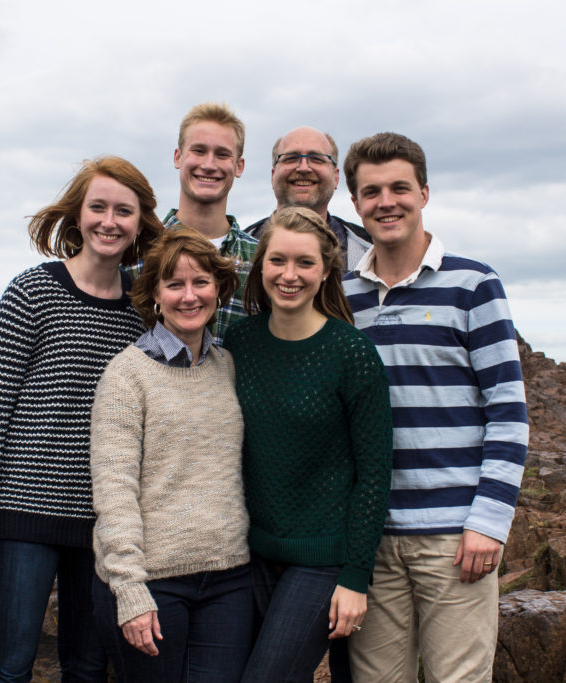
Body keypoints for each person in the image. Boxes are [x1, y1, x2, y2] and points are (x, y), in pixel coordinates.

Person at [0, 156, 164, 683]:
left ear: (140, 224)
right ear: (77, 214)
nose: (109, 221)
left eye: (123, 211)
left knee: (89, 669)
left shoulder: (142, 314)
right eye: (98, 207)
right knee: (7, 668)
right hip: (23, 512)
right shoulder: (32, 291)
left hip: (101, 524)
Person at [341, 132, 529, 682]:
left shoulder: (474, 284)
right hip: (373, 538)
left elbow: (508, 410)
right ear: (355, 204)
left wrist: (489, 522)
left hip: (456, 538)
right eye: (371, 192)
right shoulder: (344, 295)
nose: (386, 202)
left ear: (424, 193)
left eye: (400, 187)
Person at [223, 206, 393, 683]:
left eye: (304, 263)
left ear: (325, 272)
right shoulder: (238, 343)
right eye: (277, 261)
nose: (289, 275)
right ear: (260, 267)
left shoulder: (352, 353)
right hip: (249, 553)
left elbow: (375, 472)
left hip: (322, 559)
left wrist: (356, 577)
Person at [89, 226, 251, 682]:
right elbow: (114, 487)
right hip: (152, 581)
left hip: (228, 578)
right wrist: (130, 588)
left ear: (218, 290)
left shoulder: (227, 367)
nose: (189, 295)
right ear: (154, 294)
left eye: (201, 282)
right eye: (174, 284)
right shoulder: (127, 376)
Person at [127, 101, 258, 344]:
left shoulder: (260, 259)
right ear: (178, 157)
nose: (209, 165)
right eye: (198, 150)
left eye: (222, 154)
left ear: (239, 166)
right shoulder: (137, 251)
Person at [245, 126, 372, 275]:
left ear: (336, 177)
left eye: (316, 159)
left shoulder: (370, 252)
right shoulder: (239, 250)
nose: (303, 168)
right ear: (273, 176)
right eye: (291, 158)